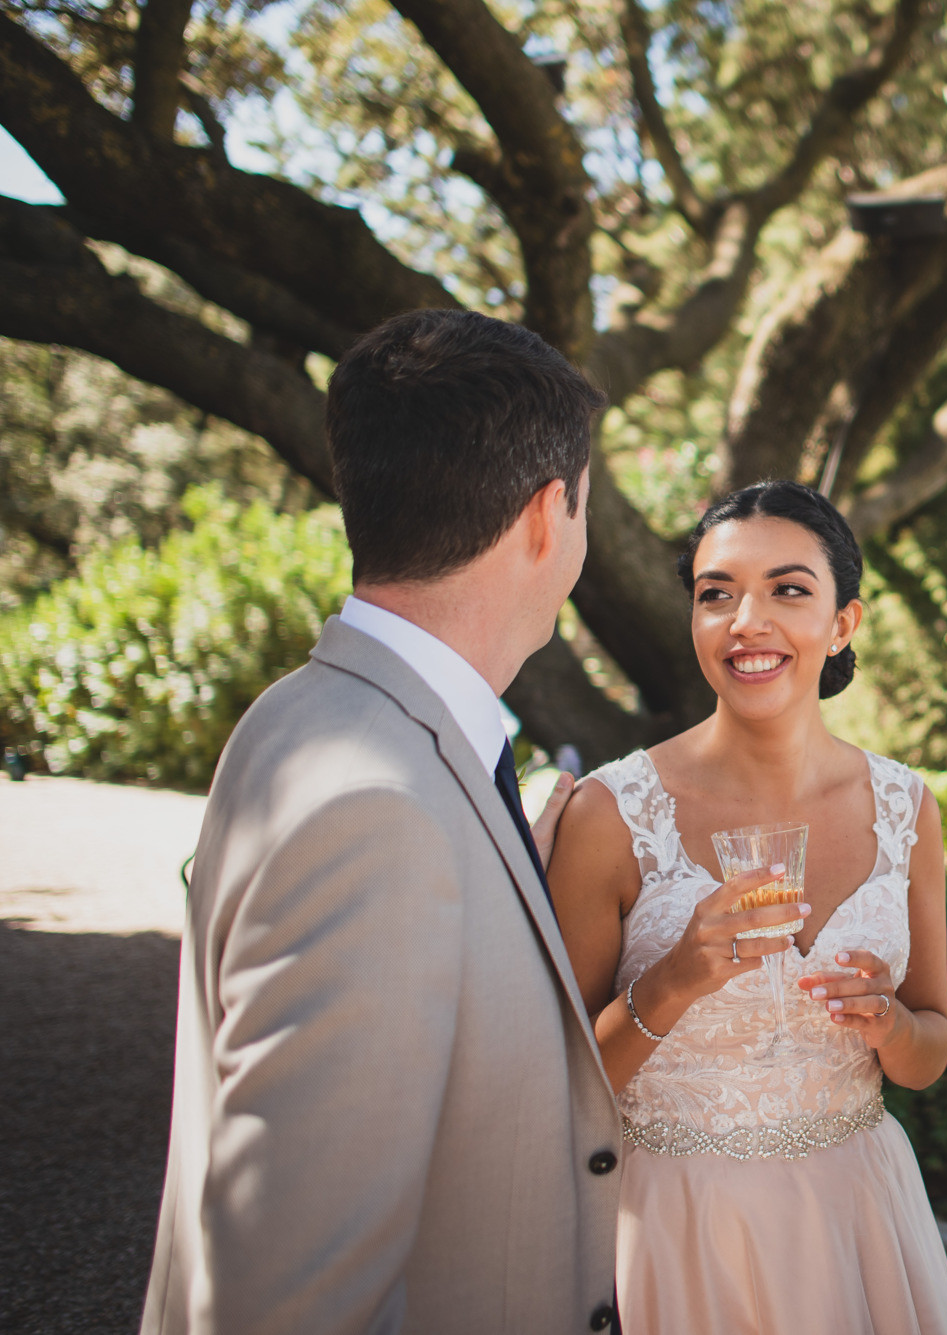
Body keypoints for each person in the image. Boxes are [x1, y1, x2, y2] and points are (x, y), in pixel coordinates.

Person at [142, 310, 621, 1334]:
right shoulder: (379, 811)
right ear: (547, 519)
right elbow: (291, 1292)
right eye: (586, 504)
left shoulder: (307, 716)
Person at [548, 480, 947, 1335]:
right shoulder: (609, 814)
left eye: (788, 589)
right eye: (716, 593)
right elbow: (555, 1087)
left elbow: (930, 1050)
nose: (747, 619)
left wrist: (888, 1024)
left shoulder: (905, 806)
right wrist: (672, 981)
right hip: (674, 1230)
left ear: (843, 622)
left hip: (857, 1220)